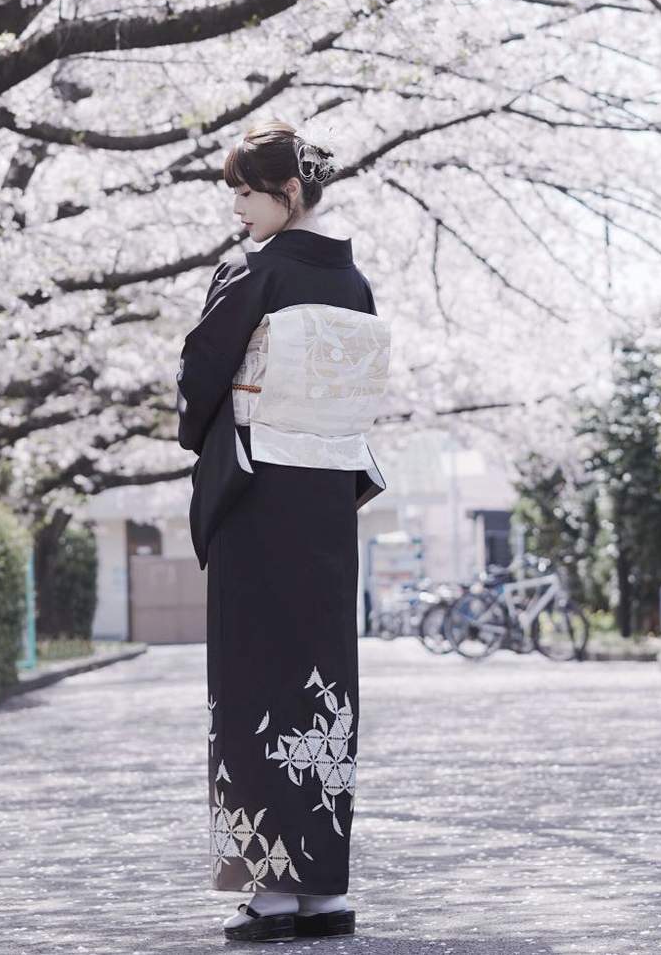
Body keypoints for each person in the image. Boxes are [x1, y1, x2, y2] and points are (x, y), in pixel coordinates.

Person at [175, 120, 390, 942]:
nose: (235, 207)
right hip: (327, 500)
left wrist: (203, 422)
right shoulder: (355, 281)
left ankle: (268, 894)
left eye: (243, 190)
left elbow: (201, 373)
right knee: (321, 681)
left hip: (258, 496)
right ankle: (323, 893)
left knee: (255, 680)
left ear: (287, 193)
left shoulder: (252, 269)